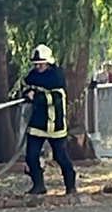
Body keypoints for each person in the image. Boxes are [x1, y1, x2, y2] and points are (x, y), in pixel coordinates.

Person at [20, 44, 76, 195]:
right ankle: (38, 186)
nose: (37, 66)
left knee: (61, 157)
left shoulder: (56, 77)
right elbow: (27, 86)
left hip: (55, 125)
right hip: (37, 123)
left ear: (48, 62)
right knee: (31, 156)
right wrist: (26, 93)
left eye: (41, 63)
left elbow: (55, 99)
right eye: (36, 64)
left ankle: (71, 187)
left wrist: (36, 96)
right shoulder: (33, 75)